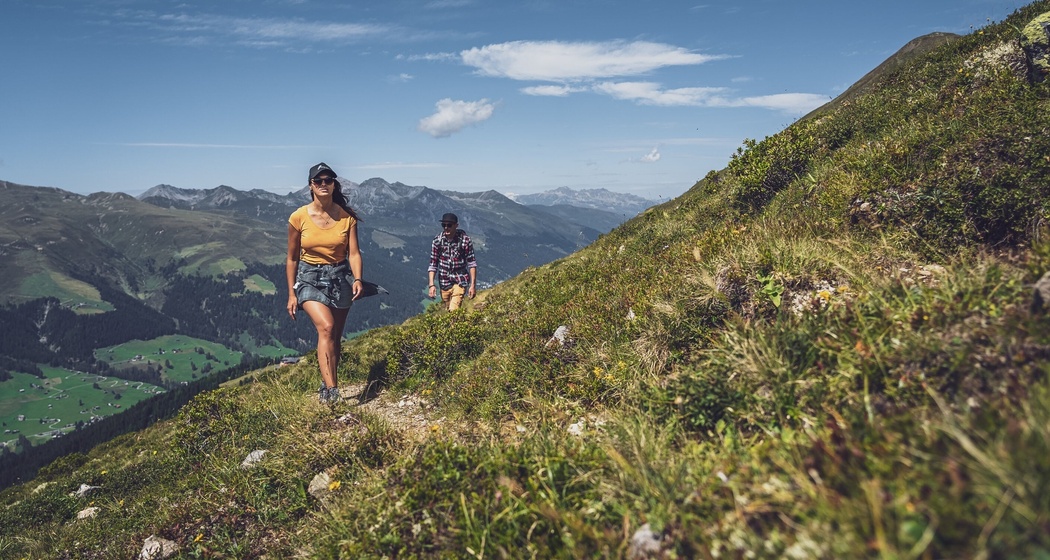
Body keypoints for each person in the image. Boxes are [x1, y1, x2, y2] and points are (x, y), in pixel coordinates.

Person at [286, 162, 364, 404]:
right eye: (318, 181)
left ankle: (327, 382)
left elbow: (354, 253)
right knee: (327, 328)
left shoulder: (347, 217)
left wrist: (357, 278)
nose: (323, 184)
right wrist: (291, 294)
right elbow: (291, 258)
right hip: (309, 278)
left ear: (333, 185)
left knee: (335, 337)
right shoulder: (298, 217)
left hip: (339, 277)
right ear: (310, 186)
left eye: (328, 180)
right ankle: (332, 392)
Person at [427, 212, 477, 311]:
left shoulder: (465, 240)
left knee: (454, 310)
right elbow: (433, 264)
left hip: (460, 280)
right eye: (444, 225)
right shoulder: (437, 241)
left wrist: (472, 285)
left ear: (456, 225)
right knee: (449, 309)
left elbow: (472, 264)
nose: (446, 228)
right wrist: (431, 285)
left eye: (449, 225)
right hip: (444, 282)